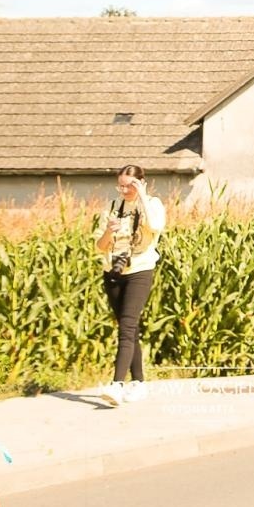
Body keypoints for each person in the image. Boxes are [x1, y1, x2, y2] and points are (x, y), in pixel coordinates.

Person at [93, 165, 167, 406]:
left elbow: (155, 226)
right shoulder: (113, 207)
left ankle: (117, 384)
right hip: (113, 271)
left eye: (129, 185)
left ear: (141, 182)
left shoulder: (152, 204)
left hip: (140, 270)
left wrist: (142, 195)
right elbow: (100, 246)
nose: (124, 190)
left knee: (126, 326)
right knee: (130, 328)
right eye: (121, 186)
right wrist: (108, 231)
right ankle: (138, 382)